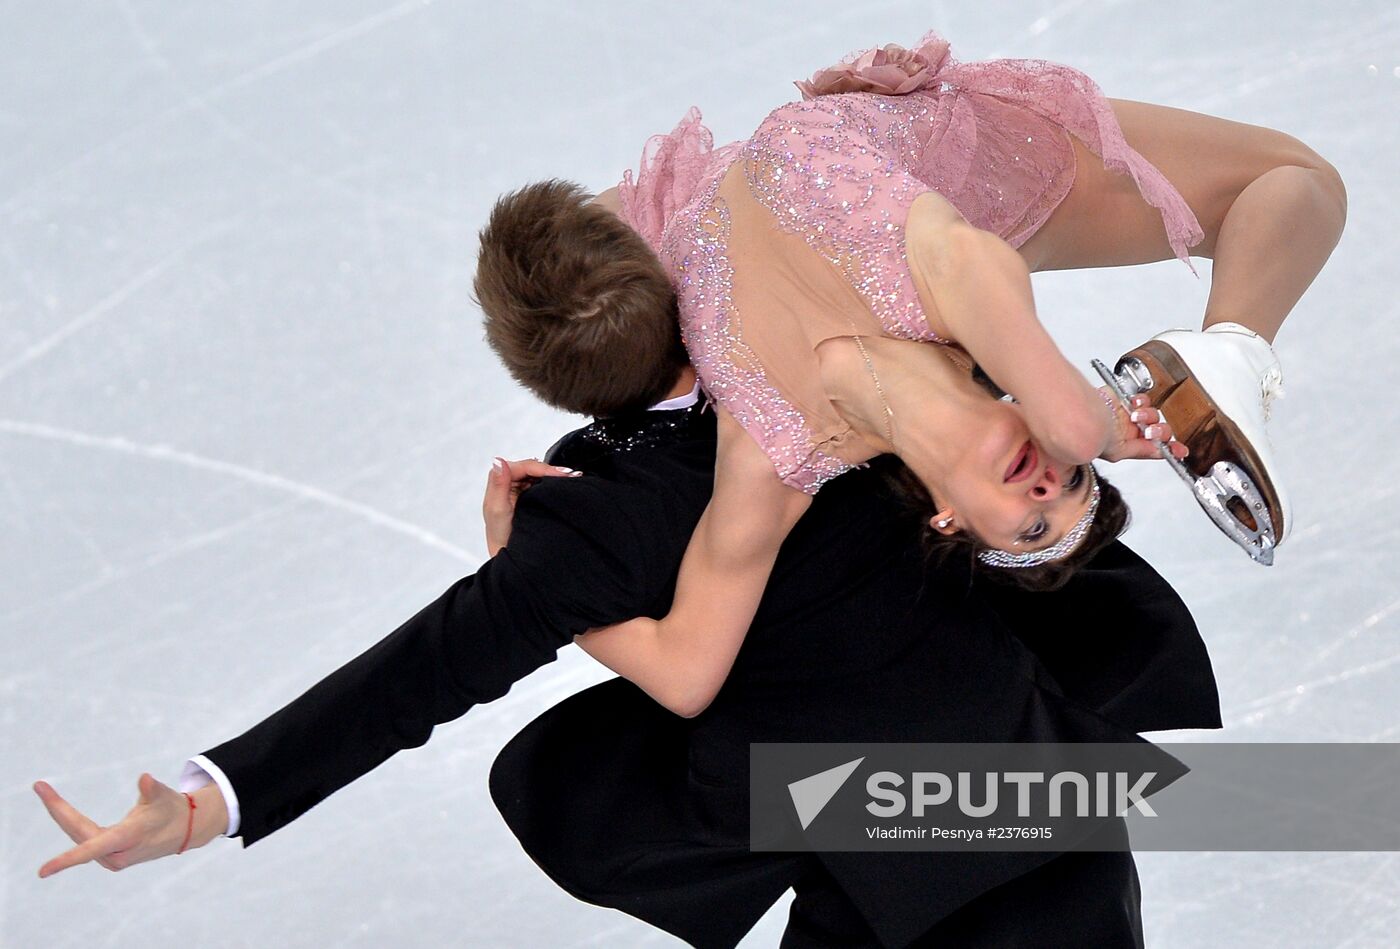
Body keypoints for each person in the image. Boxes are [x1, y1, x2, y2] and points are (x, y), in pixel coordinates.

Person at [32, 351, 1222, 947]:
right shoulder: (854, 375)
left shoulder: (598, 524)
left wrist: (213, 795)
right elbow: (414, 673)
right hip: (959, 839)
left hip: (968, 840)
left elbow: (418, 673)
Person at [474, 30, 1345, 720]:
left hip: (678, 225)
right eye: (1075, 484)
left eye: (1033, 527)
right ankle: (1235, 347)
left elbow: (684, 673)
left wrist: (522, 568)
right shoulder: (957, 289)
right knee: (1299, 178)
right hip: (966, 164)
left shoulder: (776, 451)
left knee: (582, 310)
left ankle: (1220, 365)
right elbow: (975, 269)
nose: (1050, 487)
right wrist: (1094, 419)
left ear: (950, 519)